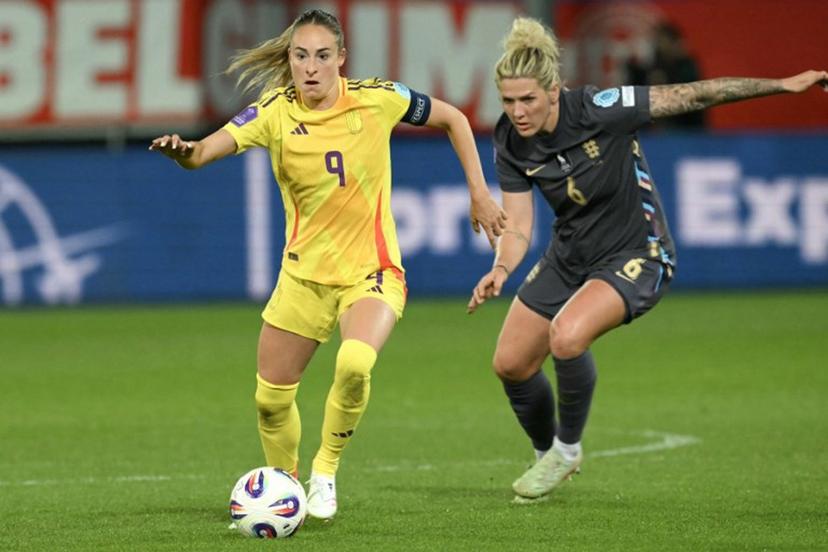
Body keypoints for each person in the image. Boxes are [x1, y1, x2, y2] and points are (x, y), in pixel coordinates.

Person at [150, 8, 506, 520]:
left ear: (341, 59)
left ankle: (326, 471)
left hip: (372, 272)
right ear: (290, 60)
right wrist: (183, 151)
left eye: (322, 56)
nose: (310, 67)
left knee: (356, 363)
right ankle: (285, 489)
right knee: (270, 401)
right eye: (300, 56)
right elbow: (205, 151)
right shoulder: (273, 112)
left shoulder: (379, 99)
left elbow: (453, 117)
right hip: (302, 277)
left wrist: (479, 191)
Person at [467, 16, 827, 502]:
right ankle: (547, 455)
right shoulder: (509, 140)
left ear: (556, 90)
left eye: (528, 99)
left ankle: (568, 449)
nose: (518, 111)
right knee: (510, 362)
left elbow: (695, 95)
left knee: (567, 336)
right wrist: (501, 269)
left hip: (638, 252)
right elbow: (519, 225)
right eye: (508, 101)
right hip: (569, 255)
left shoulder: (599, 108)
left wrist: (783, 86)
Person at [625, 22, 705, 129]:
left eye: (663, 41)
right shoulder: (650, 67)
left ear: (675, 42)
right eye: (656, 41)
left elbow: (692, 95)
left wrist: (666, 80)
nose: (659, 45)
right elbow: (632, 97)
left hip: (685, 128)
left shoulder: (687, 65)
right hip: (653, 132)